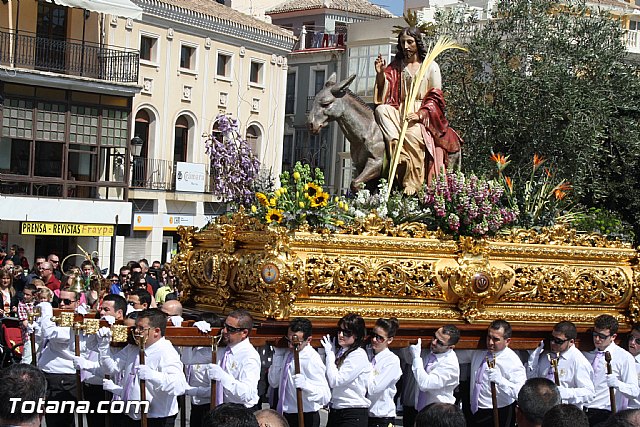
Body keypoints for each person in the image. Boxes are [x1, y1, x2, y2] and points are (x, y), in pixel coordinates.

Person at [374, 26, 462, 195]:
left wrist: (420, 115)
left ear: (417, 43)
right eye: (402, 43)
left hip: (421, 112)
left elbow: (436, 98)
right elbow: (384, 92)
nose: (406, 46)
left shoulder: (430, 66)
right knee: (381, 110)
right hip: (398, 110)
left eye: (410, 42)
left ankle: (413, 181)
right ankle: (394, 145)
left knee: (411, 135)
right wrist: (380, 74)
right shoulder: (396, 66)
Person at [97, 308, 187, 426]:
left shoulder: (166, 352)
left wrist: (153, 376)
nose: (136, 332)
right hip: (131, 415)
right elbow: (110, 369)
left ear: (156, 331)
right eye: (135, 327)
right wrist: (103, 347)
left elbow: (179, 386)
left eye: (141, 328)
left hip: (156, 418)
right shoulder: (133, 348)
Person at [459, 319, 527, 427]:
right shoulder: (479, 352)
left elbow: (521, 393)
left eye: (496, 339)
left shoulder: (513, 361)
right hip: (475, 410)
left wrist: (501, 381)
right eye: (489, 337)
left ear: (507, 341)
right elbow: (457, 357)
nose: (490, 342)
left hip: (498, 412)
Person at [268, 317, 330, 427]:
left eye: (296, 343)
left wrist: (306, 386)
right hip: (284, 414)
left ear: (308, 340)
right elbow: (274, 382)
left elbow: (325, 396)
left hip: (305, 416)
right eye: (289, 341)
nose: (291, 346)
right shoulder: (288, 353)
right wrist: (277, 356)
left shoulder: (311, 359)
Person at [582, 314, 639, 426]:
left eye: (602, 336)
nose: (597, 339)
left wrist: (618, 384)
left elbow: (634, 391)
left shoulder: (624, 357)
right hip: (584, 410)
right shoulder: (587, 354)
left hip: (604, 413)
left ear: (613, 337)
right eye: (595, 335)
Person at [199, 308, 261, 408]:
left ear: (244, 333)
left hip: (240, 410)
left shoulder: (249, 356)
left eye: (231, 329)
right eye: (225, 326)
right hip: (223, 407)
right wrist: (194, 333)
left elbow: (247, 394)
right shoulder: (223, 348)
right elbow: (189, 359)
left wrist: (223, 377)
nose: (224, 331)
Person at [526, 321, 594, 408]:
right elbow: (533, 378)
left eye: (558, 341)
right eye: (552, 339)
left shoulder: (578, 361)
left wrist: (565, 393)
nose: (553, 343)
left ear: (571, 342)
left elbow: (589, 393)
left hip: (566, 412)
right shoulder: (545, 355)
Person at [321, 313, 372, 427]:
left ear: (357, 335)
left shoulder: (358, 354)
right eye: (339, 331)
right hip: (336, 410)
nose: (341, 335)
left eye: (347, 333)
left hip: (352, 412)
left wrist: (329, 355)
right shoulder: (342, 352)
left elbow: (336, 381)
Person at [410, 324, 460, 411]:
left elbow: (425, 384)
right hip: (423, 411)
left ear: (450, 347)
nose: (433, 342)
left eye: (440, 343)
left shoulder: (450, 364)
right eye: (434, 337)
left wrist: (416, 357)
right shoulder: (432, 352)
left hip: (440, 413)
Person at [366, 317, 402, 427]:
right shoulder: (369, 354)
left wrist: (366, 368)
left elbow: (374, 389)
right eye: (373, 335)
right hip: (366, 415)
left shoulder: (391, 360)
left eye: (380, 338)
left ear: (389, 340)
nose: (374, 340)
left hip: (381, 417)